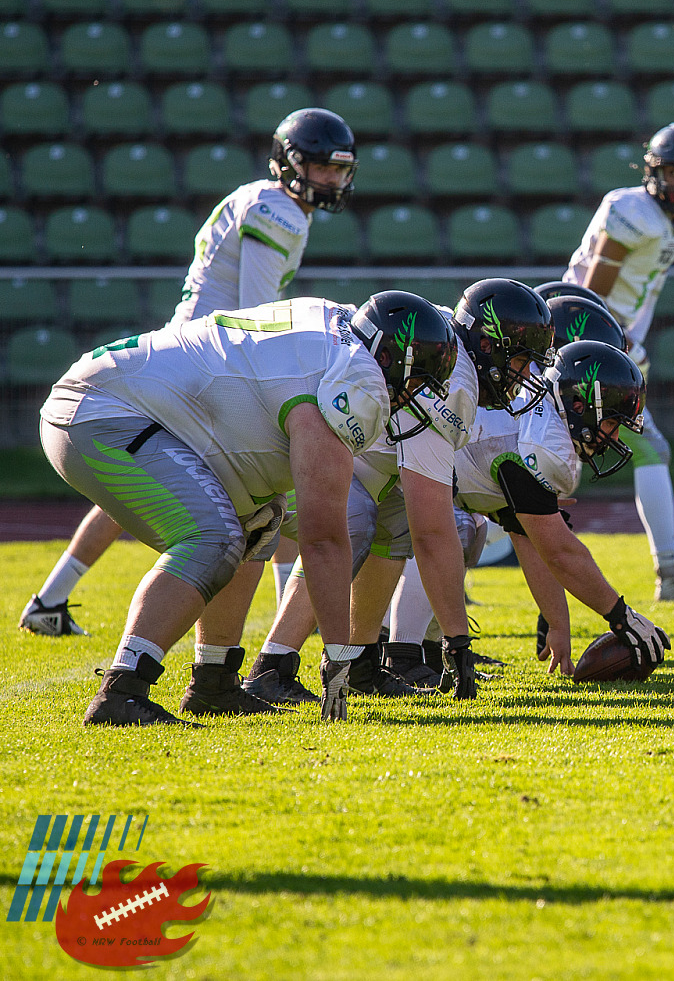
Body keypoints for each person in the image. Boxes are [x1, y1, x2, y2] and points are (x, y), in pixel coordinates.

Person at [19, 108, 358, 638]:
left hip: (187, 355)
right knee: (278, 485)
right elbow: (257, 314)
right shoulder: (279, 210)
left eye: (341, 170)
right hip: (211, 366)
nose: (334, 181)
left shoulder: (265, 199)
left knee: (142, 481)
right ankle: (281, 642)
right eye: (324, 169)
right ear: (291, 163)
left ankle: (51, 597)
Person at [41, 291, 453, 725]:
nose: (416, 396)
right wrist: (339, 656)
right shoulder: (349, 379)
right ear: (390, 361)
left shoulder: (336, 331)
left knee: (258, 519)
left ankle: (213, 680)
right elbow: (324, 540)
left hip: (126, 400)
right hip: (101, 409)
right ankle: (122, 689)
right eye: (417, 380)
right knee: (212, 535)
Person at [241, 282, 530, 717]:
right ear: (489, 345)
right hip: (286, 440)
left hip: (318, 436)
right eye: (521, 360)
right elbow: (434, 530)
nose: (524, 375)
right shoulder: (456, 378)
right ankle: (273, 665)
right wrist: (457, 640)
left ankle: (360, 661)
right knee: (355, 519)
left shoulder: (440, 337)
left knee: (395, 517)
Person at [384, 339, 669, 682]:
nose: (614, 435)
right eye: (611, 422)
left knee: (466, 532)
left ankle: (429, 655)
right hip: (394, 461)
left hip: (424, 470)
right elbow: (562, 553)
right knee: (454, 530)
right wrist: (622, 616)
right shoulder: (537, 441)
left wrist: (558, 625)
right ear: (579, 405)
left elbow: (530, 541)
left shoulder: (543, 423)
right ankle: (400, 656)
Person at [562, 121, 674, 603]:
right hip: (583, 342)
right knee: (544, 467)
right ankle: (671, 577)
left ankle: (672, 576)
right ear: (653, 170)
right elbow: (590, 297)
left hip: (607, 344)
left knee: (630, 453)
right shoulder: (630, 211)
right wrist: (612, 344)